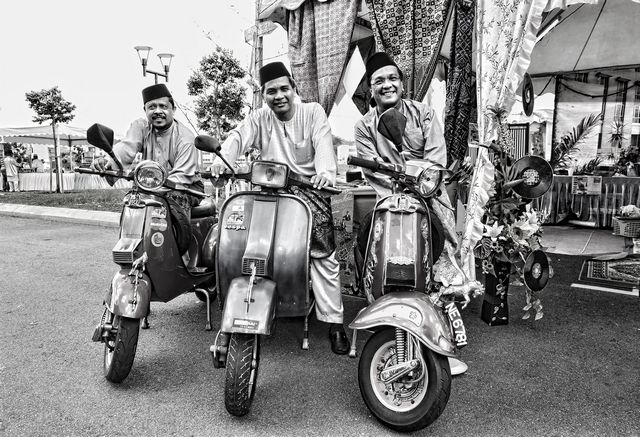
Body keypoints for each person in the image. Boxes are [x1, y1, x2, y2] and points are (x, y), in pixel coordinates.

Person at [355, 52, 482, 375]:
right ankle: (380, 313)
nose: (387, 85)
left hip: (429, 199)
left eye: (392, 78)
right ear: (370, 88)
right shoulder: (364, 126)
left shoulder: (424, 113)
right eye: (379, 81)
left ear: (402, 83)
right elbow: (373, 170)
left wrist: (418, 180)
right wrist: (398, 185)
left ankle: (444, 340)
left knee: (441, 260)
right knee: (370, 245)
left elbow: (436, 160)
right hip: (390, 201)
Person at [211, 61, 350, 355]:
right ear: (263, 95)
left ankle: (334, 321)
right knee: (240, 247)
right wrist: (222, 160)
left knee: (322, 254)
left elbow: (323, 143)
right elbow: (238, 136)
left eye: (284, 88)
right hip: (267, 193)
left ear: (294, 88)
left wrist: (325, 173)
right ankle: (236, 311)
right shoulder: (259, 117)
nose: (279, 96)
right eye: (271, 91)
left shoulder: (312, 112)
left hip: (308, 192)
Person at [91, 83, 202, 255]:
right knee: (132, 200)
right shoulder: (141, 126)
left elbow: (183, 175)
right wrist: (107, 161)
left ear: (173, 109)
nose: (157, 111)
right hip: (150, 184)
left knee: (176, 198)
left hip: (186, 187)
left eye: (163, 106)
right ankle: (133, 249)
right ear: (145, 110)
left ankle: (180, 258)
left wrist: (153, 184)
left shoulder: (185, 137)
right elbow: (126, 147)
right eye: (152, 107)